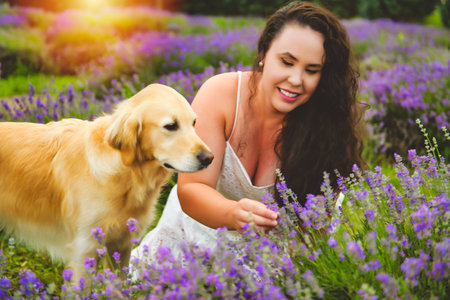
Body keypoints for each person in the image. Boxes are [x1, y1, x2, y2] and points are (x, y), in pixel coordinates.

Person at [130, 1, 365, 266]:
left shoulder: (328, 129)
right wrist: (232, 213)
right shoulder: (221, 94)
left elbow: (313, 234)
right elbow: (193, 188)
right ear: (264, 53)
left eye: (312, 70)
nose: (296, 80)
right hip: (184, 246)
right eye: (287, 62)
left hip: (263, 266)